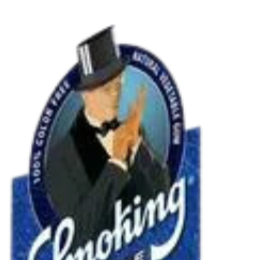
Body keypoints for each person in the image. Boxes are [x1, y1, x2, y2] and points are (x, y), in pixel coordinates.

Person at [46, 26, 170, 247]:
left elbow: (164, 196)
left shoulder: (134, 131)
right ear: (85, 94)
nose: (115, 96)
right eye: (106, 89)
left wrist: (141, 151)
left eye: (118, 86)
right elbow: (77, 234)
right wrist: (117, 164)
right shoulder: (60, 160)